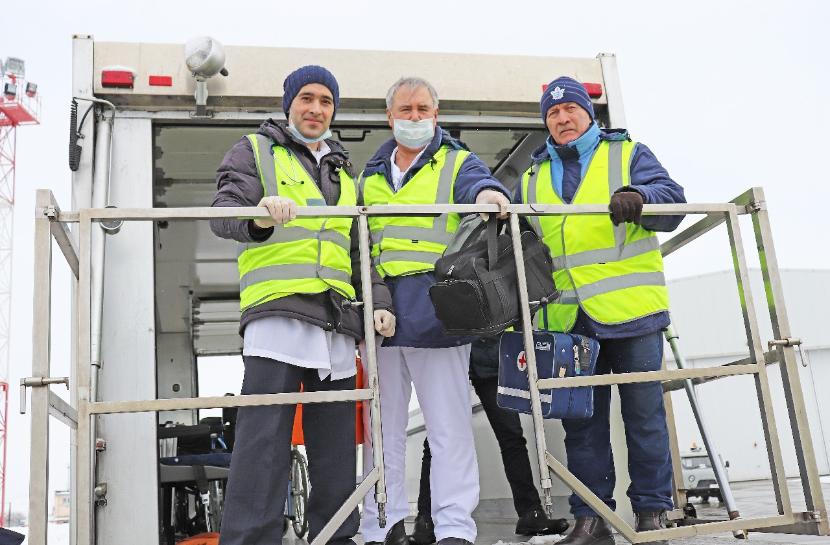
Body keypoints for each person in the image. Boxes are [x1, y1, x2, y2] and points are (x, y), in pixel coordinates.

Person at [210, 65, 396, 545]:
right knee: (263, 441)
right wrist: (260, 217)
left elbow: (360, 248)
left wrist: (378, 301)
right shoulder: (253, 151)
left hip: (335, 319)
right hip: (278, 314)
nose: (316, 109)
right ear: (288, 102)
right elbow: (223, 212)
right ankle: (251, 540)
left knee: (335, 445)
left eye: (326, 101)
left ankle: (336, 536)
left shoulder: (342, 169)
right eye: (307, 99)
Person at [515, 76, 686, 545]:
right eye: (552, 114)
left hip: (632, 312)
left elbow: (674, 204)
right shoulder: (530, 177)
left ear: (588, 114)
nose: (562, 119)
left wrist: (642, 198)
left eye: (570, 109)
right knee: (581, 426)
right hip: (568, 320)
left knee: (645, 416)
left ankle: (653, 513)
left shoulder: (628, 154)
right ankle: (591, 519)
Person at [358, 77, 511, 545]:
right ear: (389, 117)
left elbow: (478, 183)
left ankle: (454, 530)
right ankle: (383, 526)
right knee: (380, 432)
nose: (415, 117)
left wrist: (488, 196)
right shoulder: (369, 176)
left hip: (439, 314)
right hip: (382, 318)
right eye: (405, 109)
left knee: (449, 429)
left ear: (436, 114)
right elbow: (361, 246)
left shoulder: (456, 160)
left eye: (423, 108)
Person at [410, 337, 570, 544]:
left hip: (488, 353)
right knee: (438, 439)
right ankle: (425, 520)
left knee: (511, 435)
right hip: (449, 350)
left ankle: (531, 512)